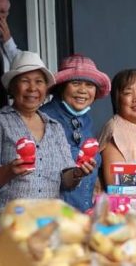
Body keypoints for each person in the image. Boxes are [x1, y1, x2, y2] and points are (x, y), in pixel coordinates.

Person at [0, 51, 94, 226]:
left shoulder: (55, 127)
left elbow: (66, 180)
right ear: (12, 88)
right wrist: (10, 170)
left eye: (39, 82)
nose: (32, 88)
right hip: (5, 225)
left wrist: (78, 172)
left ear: (46, 89)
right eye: (25, 81)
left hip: (45, 225)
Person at [40, 54, 111, 212]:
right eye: (76, 83)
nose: (83, 90)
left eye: (89, 85)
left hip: (84, 213)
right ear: (62, 86)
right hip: (54, 217)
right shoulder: (44, 119)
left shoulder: (86, 120)